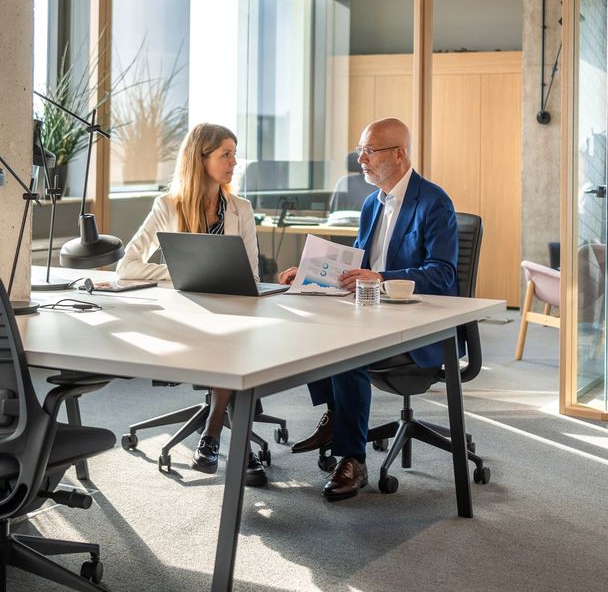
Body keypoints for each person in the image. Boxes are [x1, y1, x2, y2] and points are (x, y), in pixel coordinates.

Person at [279, 117, 458, 502]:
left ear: (399, 154)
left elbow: (442, 275)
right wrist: (310, 273)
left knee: (348, 350)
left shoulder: (434, 202)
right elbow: (357, 265)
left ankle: (352, 457)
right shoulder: (370, 204)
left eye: (369, 151)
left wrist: (381, 276)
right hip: (370, 312)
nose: (360, 159)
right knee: (310, 323)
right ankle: (336, 415)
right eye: (360, 150)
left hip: (418, 325)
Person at [116, 122, 266, 486]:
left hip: (233, 313)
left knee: (234, 341)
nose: (234, 162)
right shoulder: (168, 206)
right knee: (233, 347)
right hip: (184, 317)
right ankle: (235, 444)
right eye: (225, 154)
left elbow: (252, 275)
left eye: (234, 153)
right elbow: (127, 265)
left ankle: (212, 435)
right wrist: (179, 272)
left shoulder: (240, 208)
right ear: (201, 159)